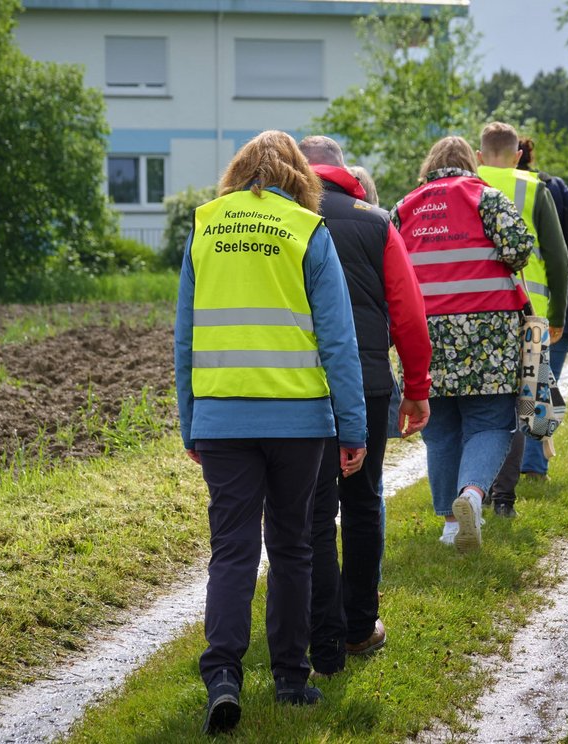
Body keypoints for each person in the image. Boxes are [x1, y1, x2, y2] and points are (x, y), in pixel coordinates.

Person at [173, 130, 369, 736]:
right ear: (299, 178)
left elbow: (185, 335)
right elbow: (338, 340)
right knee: (291, 547)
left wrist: (190, 418)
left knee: (231, 548)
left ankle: (223, 676)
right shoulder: (309, 233)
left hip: (223, 419)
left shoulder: (205, 226)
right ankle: (290, 677)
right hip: (298, 420)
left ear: (237, 172)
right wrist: (353, 426)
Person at [298, 136, 433, 676]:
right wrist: (417, 387)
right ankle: (358, 627)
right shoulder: (376, 221)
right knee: (361, 501)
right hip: (371, 382)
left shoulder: (282, 219)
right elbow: (408, 309)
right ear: (342, 169)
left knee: (311, 510)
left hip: (299, 387)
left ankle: (316, 625)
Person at [391, 135, 535, 553]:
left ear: (429, 163)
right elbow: (520, 249)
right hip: (487, 333)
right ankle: (472, 494)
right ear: (470, 162)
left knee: (439, 432)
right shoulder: (486, 197)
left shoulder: (404, 207)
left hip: (425, 331)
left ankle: (451, 526)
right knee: (489, 423)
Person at [489, 137, 568, 515]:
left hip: (499, 309)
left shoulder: (477, 187)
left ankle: (503, 475)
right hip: (550, 307)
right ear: (521, 156)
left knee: (506, 396)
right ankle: (534, 468)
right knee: (538, 387)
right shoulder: (546, 187)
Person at [474, 123, 568, 518]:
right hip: (528, 313)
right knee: (521, 402)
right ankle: (503, 499)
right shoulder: (534, 188)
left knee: (479, 404)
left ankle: (472, 488)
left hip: (473, 307)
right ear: (518, 155)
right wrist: (560, 315)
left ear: (479, 155)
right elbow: (559, 257)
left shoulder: (466, 183)